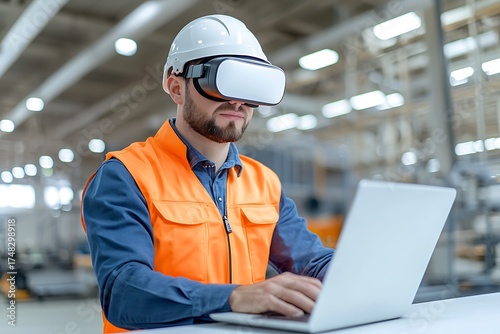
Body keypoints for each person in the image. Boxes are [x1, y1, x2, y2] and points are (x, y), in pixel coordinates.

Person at [81, 14, 333, 333]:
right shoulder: (125, 175)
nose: (237, 100)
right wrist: (234, 298)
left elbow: (311, 262)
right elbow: (124, 293)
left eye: (250, 85)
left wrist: (365, 272)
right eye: (221, 81)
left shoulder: (264, 183)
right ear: (176, 87)